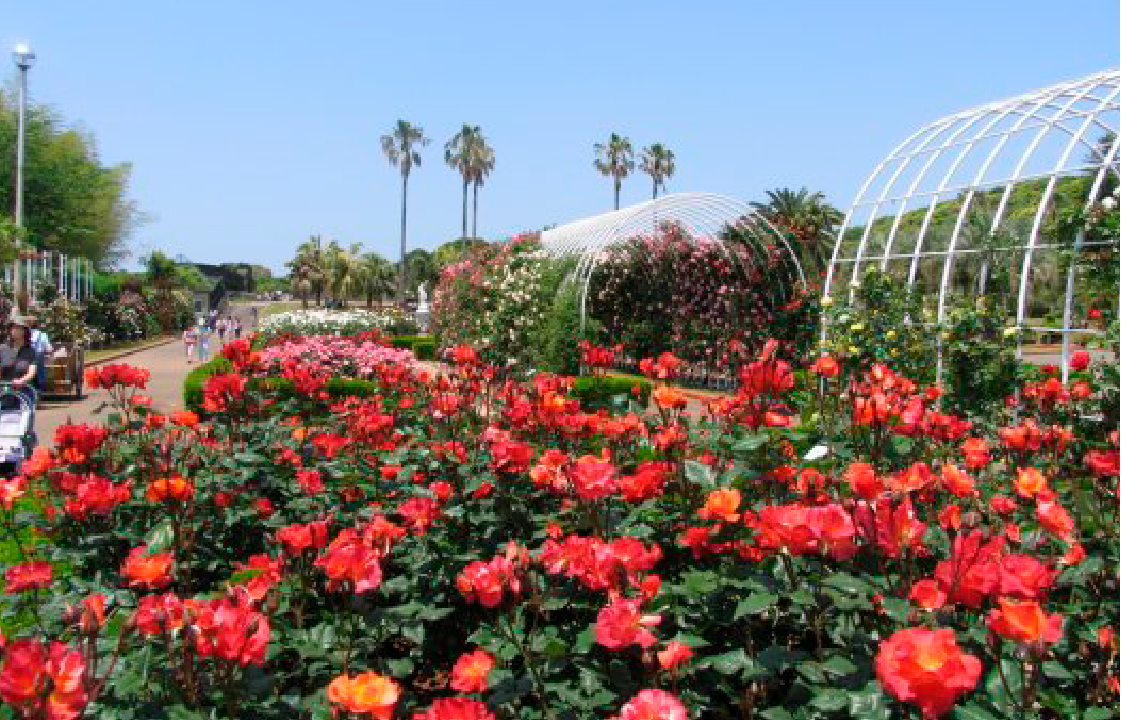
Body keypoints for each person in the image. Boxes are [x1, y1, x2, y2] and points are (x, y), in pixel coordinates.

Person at [1, 316, 39, 436]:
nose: (14, 331)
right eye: (12, 328)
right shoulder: (3, 349)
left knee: (24, 425)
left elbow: (32, 371)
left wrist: (22, 380)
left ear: (24, 331)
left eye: (17, 328)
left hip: (23, 392)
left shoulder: (30, 351)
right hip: (5, 391)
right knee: (4, 424)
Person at [27, 315, 52, 394]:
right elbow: (49, 349)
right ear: (37, 324)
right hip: (38, 359)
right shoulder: (42, 335)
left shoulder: (24, 335)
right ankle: (40, 388)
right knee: (40, 371)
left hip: (26, 359)